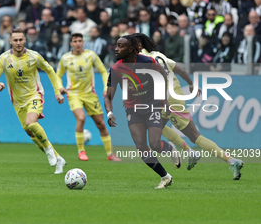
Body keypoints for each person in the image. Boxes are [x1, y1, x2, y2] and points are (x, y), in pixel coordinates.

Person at [133, 33, 245, 180]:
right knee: (155, 126)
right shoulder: (159, 55)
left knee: (195, 136)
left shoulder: (142, 57)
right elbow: (181, 71)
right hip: (173, 96)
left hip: (166, 98)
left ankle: (231, 161)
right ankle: (189, 151)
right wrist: (191, 84)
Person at [104, 35, 180, 189]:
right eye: (116, 46)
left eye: (120, 46)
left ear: (131, 49)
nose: (116, 49)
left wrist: (164, 100)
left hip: (152, 105)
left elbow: (163, 77)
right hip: (133, 110)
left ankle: (170, 148)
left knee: (154, 144)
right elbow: (108, 96)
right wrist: (109, 113)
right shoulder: (116, 69)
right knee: (141, 147)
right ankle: (165, 177)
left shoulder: (148, 62)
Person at [0, 28, 66, 174]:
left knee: (31, 123)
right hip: (18, 102)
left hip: (34, 96)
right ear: (10, 41)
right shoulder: (4, 58)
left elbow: (50, 70)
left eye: (21, 40)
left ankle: (49, 150)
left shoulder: (34, 56)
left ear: (25, 40)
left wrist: (57, 92)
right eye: (15, 40)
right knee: (31, 134)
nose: (18, 43)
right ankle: (58, 158)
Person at [56, 33, 121, 162]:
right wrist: (60, 87)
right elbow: (58, 75)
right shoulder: (65, 58)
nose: (78, 43)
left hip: (90, 94)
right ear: (71, 44)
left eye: (80, 40)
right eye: (75, 41)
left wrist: (105, 88)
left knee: (101, 124)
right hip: (73, 94)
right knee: (81, 118)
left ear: (83, 42)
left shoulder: (90, 55)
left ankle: (110, 154)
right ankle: (81, 151)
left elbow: (103, 71)